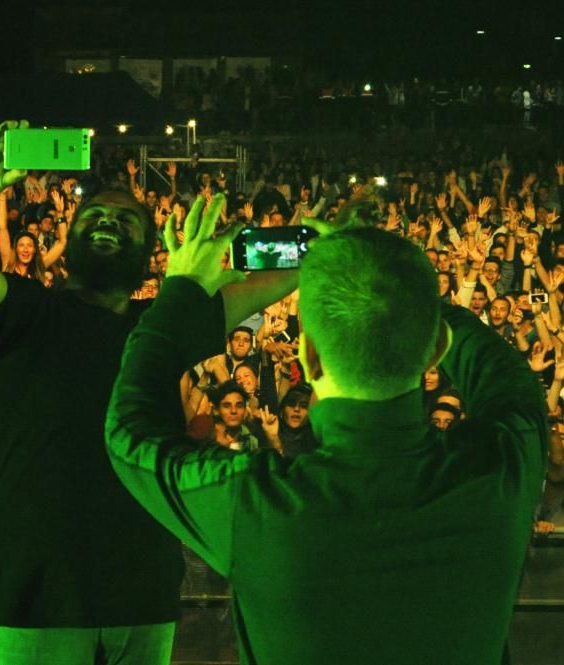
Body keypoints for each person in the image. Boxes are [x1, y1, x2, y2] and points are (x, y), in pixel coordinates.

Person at [105, 193, 547, 664]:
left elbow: (129, 430)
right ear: (435, 346)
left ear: (307, 355)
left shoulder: (252, 501)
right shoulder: (502, 468)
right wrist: (384, 279)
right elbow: (508, 379)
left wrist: (184, 291)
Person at [0, 121, 186, 664]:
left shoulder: (161, 329)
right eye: (95, 214)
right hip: (36, 595)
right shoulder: (27, 310)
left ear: (150, 250)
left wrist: (321, 252)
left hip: (142, 591)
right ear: (68, 238)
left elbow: (238, 296)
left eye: (127, 219)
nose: (109, 222)